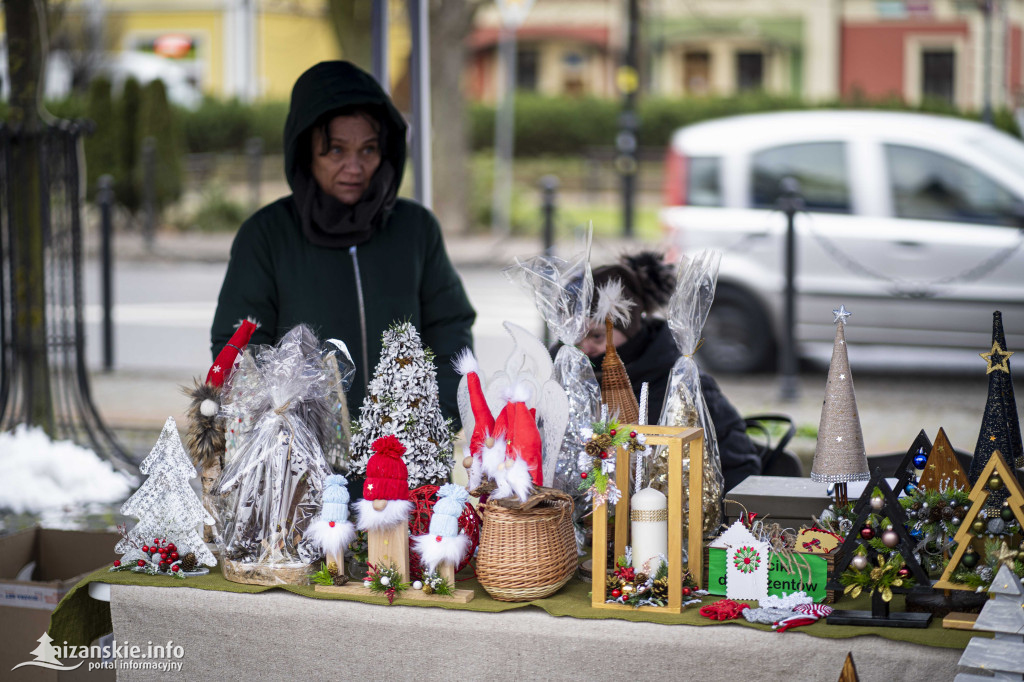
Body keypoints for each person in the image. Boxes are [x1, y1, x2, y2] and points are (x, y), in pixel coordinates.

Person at [211, 61, 475, 428]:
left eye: (368, 150)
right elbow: (239, 348)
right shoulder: (267, 235)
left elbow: (451, 330)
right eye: (336, 151)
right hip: (302, 467)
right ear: (306, 151)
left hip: (407, 463)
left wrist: (435, 422)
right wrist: (283, 436)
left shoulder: (416, 229)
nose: (354, 167)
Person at [579, 252, 762, 491]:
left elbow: (739, 463)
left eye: (596, 336)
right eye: (576, 336)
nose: (584, 347)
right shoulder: (570, 374)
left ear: (630, 330)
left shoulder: (678, 382)